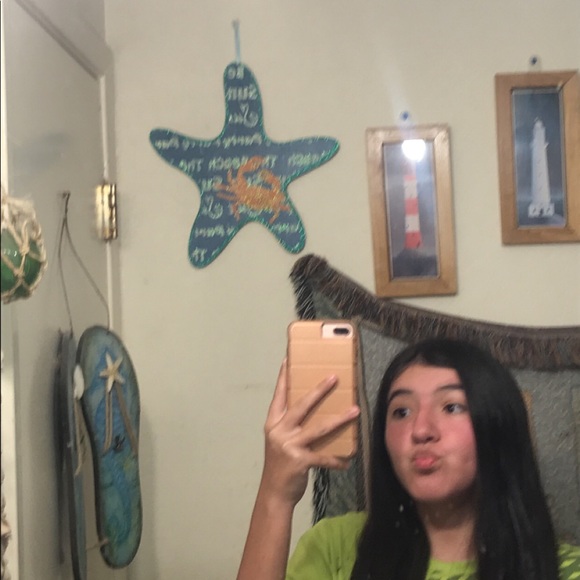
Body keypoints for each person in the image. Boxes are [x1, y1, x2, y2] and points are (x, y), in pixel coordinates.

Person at [236, 338, 580, 580]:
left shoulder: (564, 569)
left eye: (451, 407)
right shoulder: (336, 547)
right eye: (401, 411)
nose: (421, 430)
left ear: (498, 424)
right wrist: (276, 495)